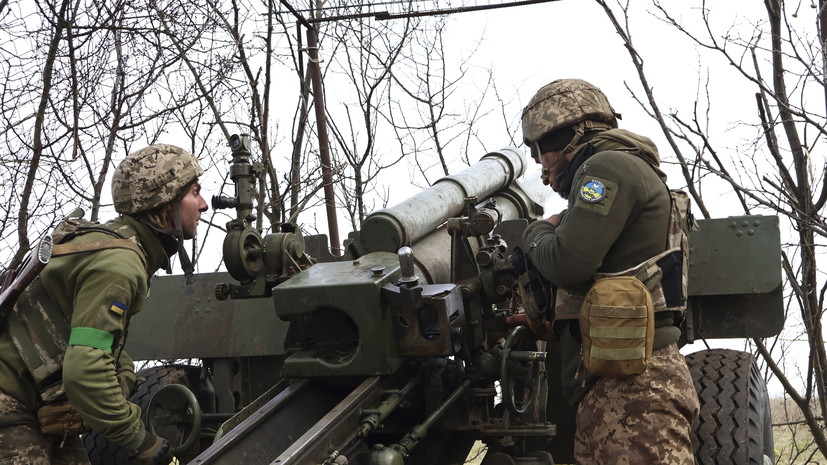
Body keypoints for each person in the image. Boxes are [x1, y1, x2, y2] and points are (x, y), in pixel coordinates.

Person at [514, 79, 700, 464]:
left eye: (543, 146)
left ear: (575, 133)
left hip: (635, 388)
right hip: (614, 383)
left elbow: (568, 262)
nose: (540, 160)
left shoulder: (606, 167)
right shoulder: (623, 169)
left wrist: (536, 231)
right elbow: (601, 278)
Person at [0, 144, 208, 465]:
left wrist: (122, 367)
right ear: (166, 203)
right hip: (9, 403)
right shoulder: (120, 264)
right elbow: (85, 371)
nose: (204, 204)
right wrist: (139, 440)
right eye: (195, 192)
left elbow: (82, 335)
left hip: (29, 405)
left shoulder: (108, 245)